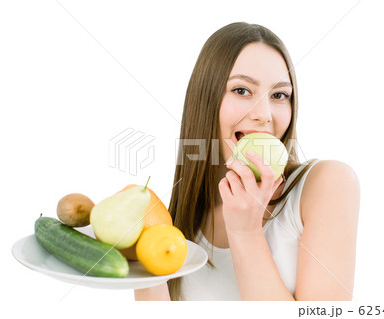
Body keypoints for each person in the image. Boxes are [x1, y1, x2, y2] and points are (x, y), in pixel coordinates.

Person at [134, 22, 360, 301]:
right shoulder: (180, 220)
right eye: (242, 90)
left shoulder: (327, 183)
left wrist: (246, 231)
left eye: (279, 95)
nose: (264, 114)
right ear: (205, 100)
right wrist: (137, 261)